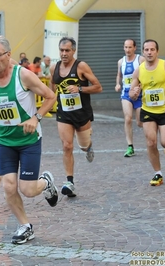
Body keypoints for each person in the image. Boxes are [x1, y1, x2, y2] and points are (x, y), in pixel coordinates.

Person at [0, 35, 58, 244]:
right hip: (5, 140)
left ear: (8, 55)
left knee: (28, 190)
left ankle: (46, 182)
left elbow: (51, 96)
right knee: (8, 187)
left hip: (29, 139)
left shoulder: (23, 76)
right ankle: (25, 226)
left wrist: (36, 117)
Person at [50, 36, 102, 198]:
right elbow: (53, 89)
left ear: (74, 51)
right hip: (64, 113)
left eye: (67, 50)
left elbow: (98, 87)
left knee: (83, 145)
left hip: (82, 113)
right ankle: (69, 182)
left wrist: (79, 89)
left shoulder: (81, 66)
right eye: (61, 50)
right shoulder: (54, 67)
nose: (64, 53)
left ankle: (88, 147)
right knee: (67, 146)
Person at [130, 39, 165, 186]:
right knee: (150, 142)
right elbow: (131, 92)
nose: (149, 52)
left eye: (152, 49)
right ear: (143, 52)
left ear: (157, 51)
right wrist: (134, 93)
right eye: (146, 50)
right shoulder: (139, 70)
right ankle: (157, 173)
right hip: (148, 111)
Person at [115, 39, 145, 157]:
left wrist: (140, 87)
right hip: (126, 93)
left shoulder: (140, 60)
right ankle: (130, 146)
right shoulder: (120, 62)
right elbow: (119, 75)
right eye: (126, 47)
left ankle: (152, 138)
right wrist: (117, 84)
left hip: (139, 94)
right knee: (128, 118)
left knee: (140, 122)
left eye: (130, 47)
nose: (127, 50)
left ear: (134, 48)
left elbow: (145, 75)